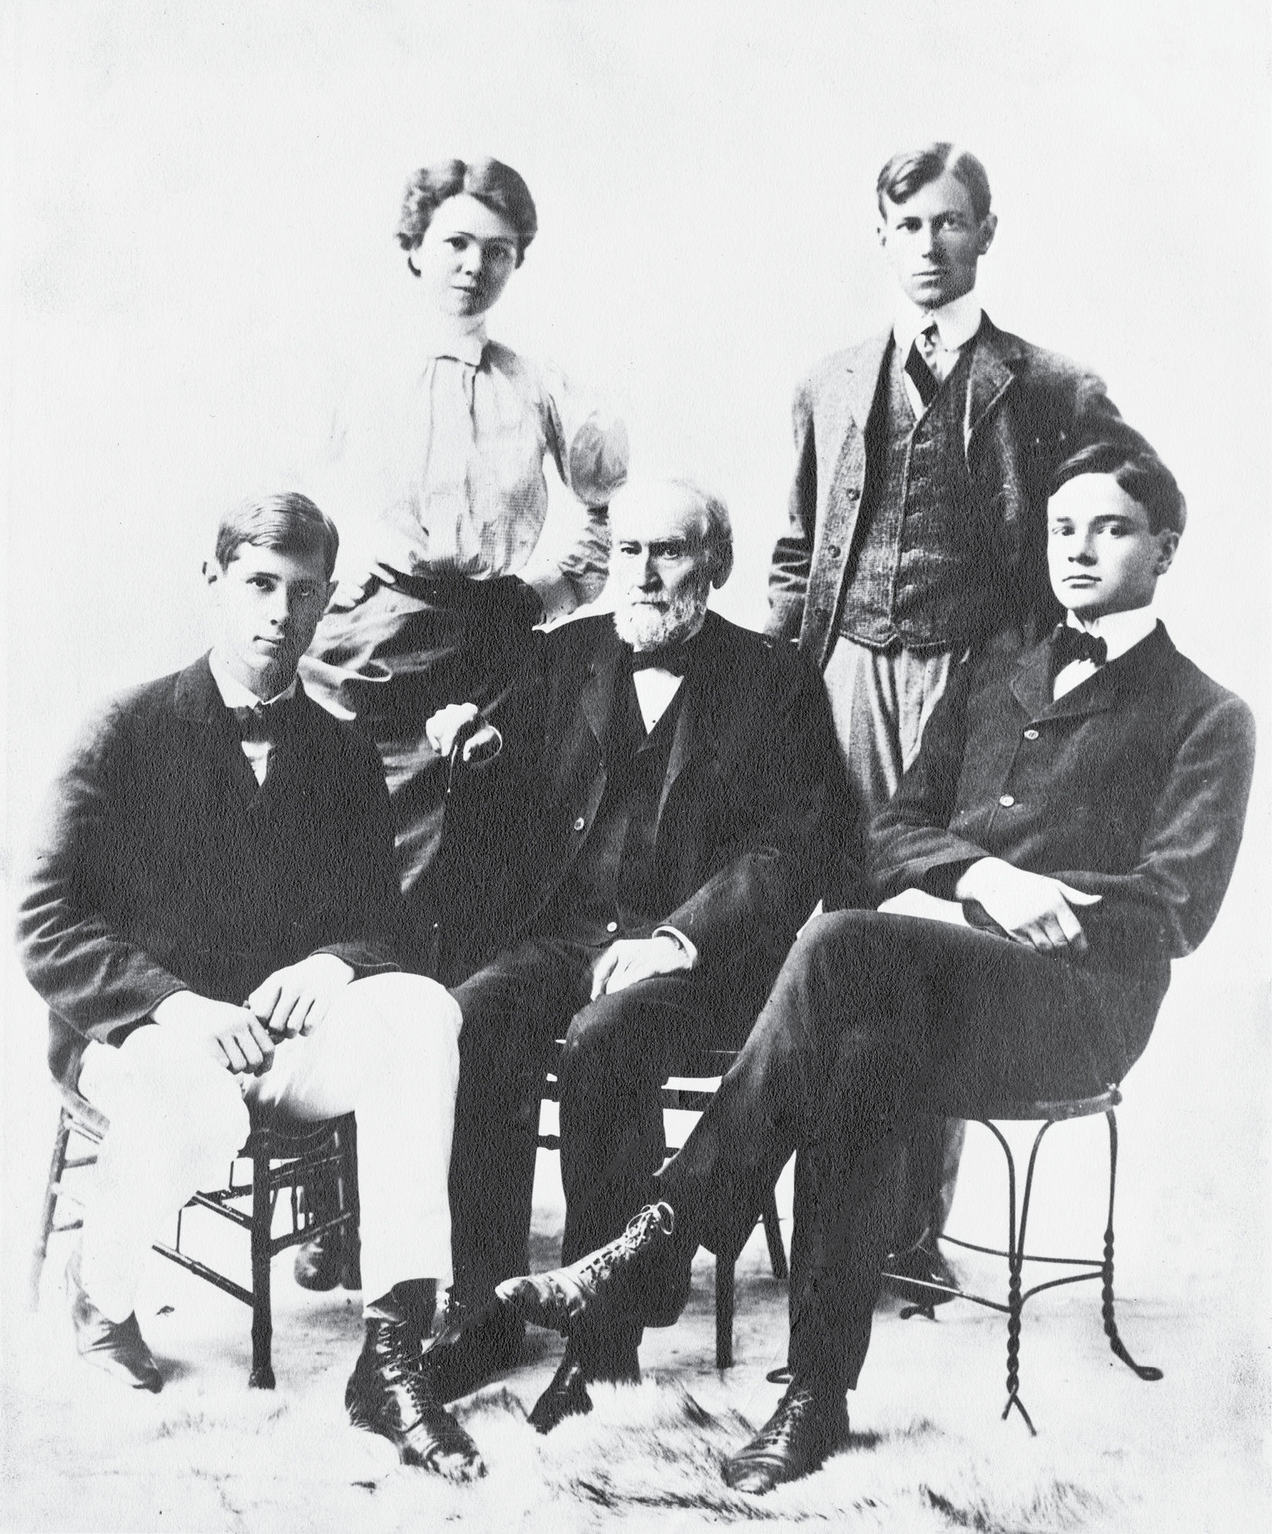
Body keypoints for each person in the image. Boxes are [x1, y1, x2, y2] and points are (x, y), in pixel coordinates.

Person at [496, 443, 1255, 1494]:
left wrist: (1037, 898)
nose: (1079, 549)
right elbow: (891, 832)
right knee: (860, 1057)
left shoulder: (1210, 715)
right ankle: (816, 1398)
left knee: (843, 937)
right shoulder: (1003, 675)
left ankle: (663, 1237)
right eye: (1063, 528)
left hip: (1078, 1005)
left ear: (1166, 549)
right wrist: (986, 880)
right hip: (947, 981)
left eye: (1111, 529)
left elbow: (1176, 907)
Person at [17, 493, 484, 1482]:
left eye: (303, 592)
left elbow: (383, 924)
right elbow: (44, 919)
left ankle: (394, 1351)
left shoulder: (343, 751)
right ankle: (100, 1296)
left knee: (422, 1011)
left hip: (279, 1041)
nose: (279, 612)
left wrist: (331, 963)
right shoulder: (125, 727)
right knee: (196, 1103)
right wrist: (175, 1006)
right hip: (144, 1034)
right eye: (260, 585)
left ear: (326, 606)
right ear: (215, 585)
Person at [766, 142, 1148, 1291]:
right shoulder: (829, 383)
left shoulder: (1050, 386)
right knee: (829, 921)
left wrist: (1051, 676)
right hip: (839, 683)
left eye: (950, 224)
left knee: (940, 936)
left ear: (987, 233)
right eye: (908, 225)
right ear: (877, 236)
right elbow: (794, 556)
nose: (929, 247)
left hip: (976, 686)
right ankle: (819, 1223)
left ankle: (908, 1237)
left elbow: (1130, 516)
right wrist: (779, 692)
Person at [429, 477, 840, 1430]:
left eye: (671, 553)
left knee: (607, 1039)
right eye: (629, 554)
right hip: (568, 937)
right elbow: (504, 818)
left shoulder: (775, 679)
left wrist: (677, 938)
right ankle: (485, 1307)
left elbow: (793, 851)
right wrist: (469, 758)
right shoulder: (560, 657)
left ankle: (601, 1343)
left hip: (703, 964)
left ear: (718, 567)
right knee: (472, 1019)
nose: (645, 575)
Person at [302, 157, 628, 932]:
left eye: (498, 250)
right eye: (454, 243)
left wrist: (540, 596)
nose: (474, 266)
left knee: (468, 852)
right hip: (371, 643)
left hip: (490, 644)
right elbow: (299, 507)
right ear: (414, 247)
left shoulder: (539, 386)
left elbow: (606, 509)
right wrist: (335, 592)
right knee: (340, 840)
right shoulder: (358, 375)